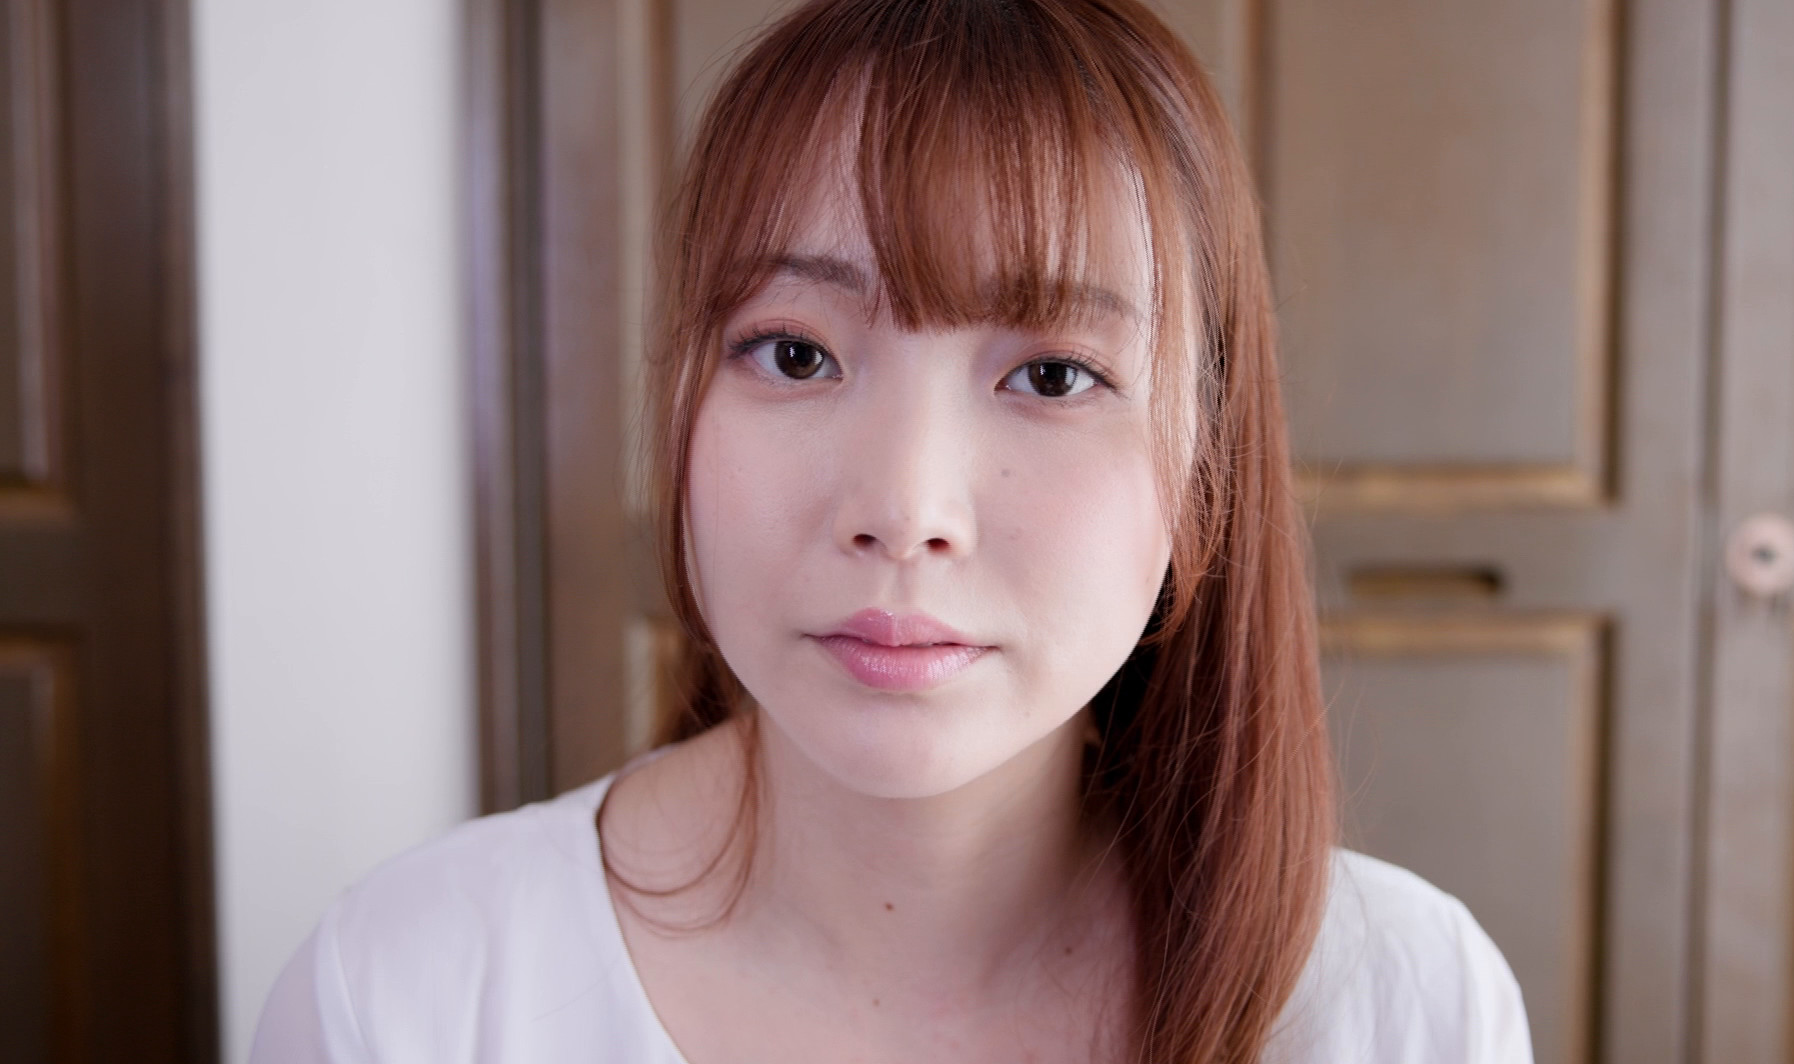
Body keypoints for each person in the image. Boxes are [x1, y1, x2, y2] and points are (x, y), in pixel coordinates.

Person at [251, 0, 1533, 1060]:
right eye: (795, 353)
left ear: (1205, 459)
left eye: (1051, 375)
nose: (905, 511)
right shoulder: (409, 995)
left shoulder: (1405, 1005)